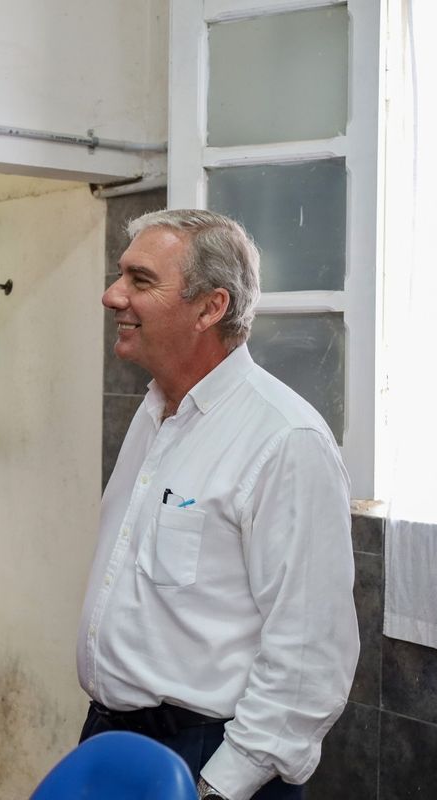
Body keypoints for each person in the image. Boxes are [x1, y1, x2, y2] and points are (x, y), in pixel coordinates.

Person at [76, 210, 359, 800]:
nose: (112, 295)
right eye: (120, 275)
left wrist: (219, 786)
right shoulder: (155, 413)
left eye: (140, 280)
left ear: (210, 308)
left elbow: (310, 655)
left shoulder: (285, 439)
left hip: (213, 761)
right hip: (114, 740)